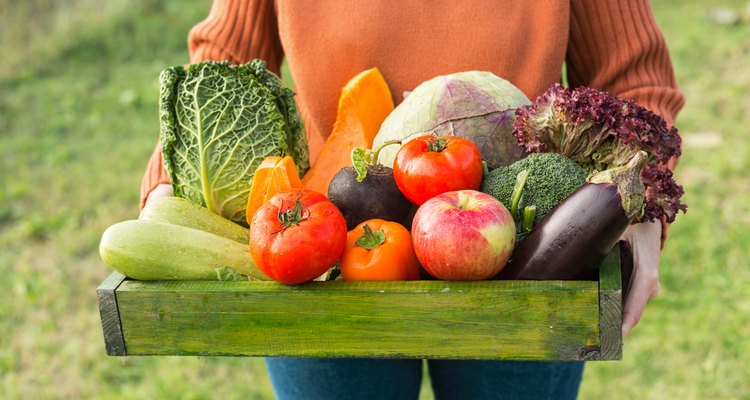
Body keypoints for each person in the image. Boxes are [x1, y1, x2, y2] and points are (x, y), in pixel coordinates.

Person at [140, 1, 684, 399]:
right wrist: (177, 174)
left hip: (529, 254)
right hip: (322, 250)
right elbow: (224, 58)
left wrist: (637, 196)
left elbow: (633, 75)